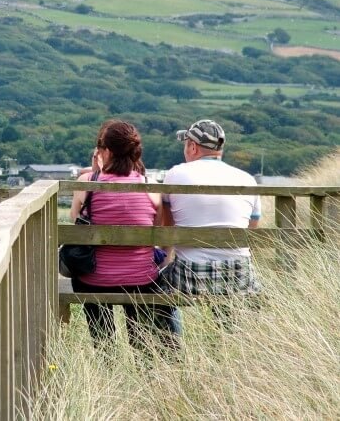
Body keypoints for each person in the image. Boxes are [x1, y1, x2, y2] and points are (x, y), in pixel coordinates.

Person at [71, 119, 181, 350]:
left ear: (106, 152)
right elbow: (157, 235)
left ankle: (104, 348)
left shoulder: (87, 183)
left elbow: (76, 224)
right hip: (141, 279)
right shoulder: (150, 186)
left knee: (83, 275)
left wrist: (96, 173)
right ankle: (141, 346)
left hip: (95, 280)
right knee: (142, 278)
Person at [161, 119, 261, 303]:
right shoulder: (247, 179)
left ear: (192, 147)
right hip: (239, 274)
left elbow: (168, 227)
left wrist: (164, 262)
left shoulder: (175, 174)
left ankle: (168, 324)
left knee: (157, 284)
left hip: (190, 273)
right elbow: (251, 232)